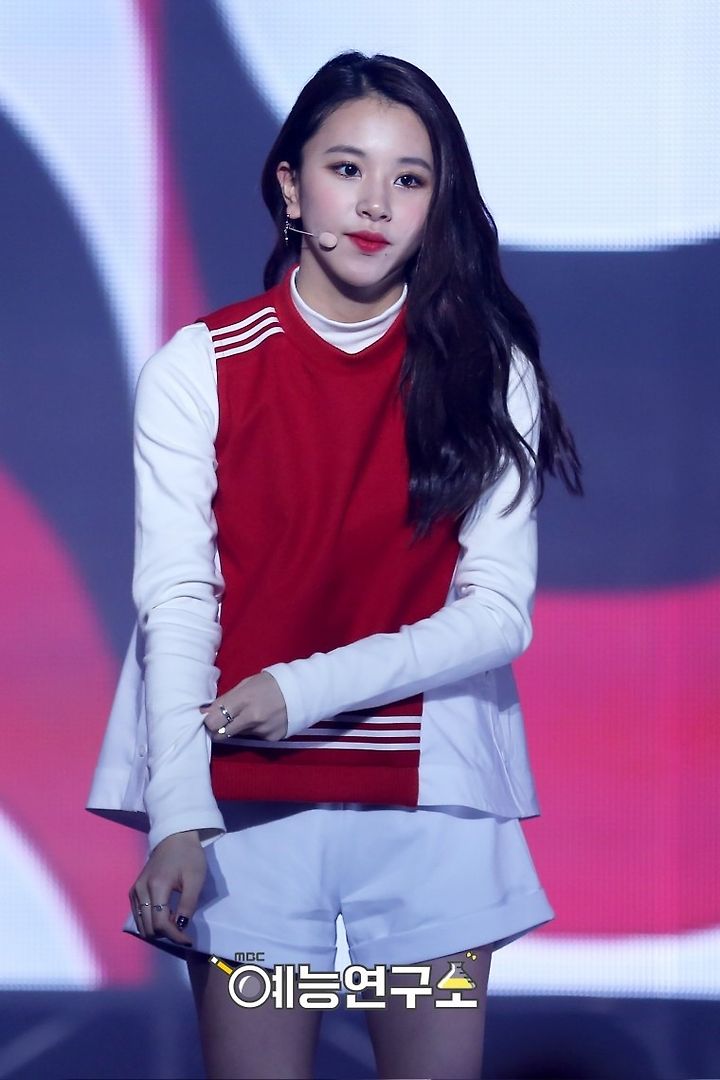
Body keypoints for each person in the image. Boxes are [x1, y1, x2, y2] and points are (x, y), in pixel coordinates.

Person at [86, 50, 583, 1080]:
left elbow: (497, 613)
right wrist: (178, 818)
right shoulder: (201, 369)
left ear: (437, 205)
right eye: (346, 168)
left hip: (434, 811)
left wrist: (299, 689)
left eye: (410, 178)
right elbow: (177, 600)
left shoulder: (487, 373)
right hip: (247, 812)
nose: (375, 204)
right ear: (291, 185)